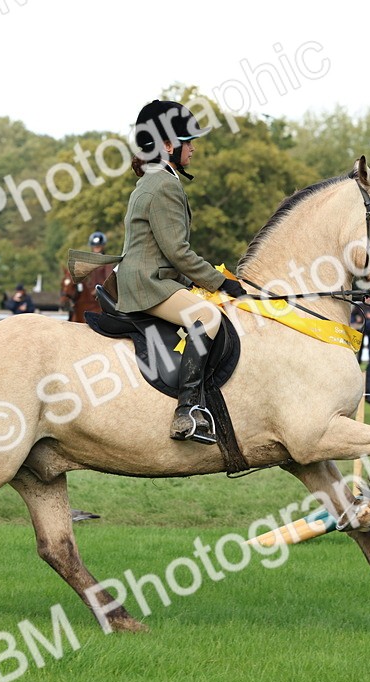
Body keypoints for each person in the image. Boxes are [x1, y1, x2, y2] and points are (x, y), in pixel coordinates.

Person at [116, 99, 247, 443]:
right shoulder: (164, 184)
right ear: (169, 145)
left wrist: (197, 282)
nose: (194, 148)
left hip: (149, 277)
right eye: (188, 141)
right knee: (208, 317)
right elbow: (177, 251)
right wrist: (222, 283)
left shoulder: (154, 179)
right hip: (149, 284)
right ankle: (187, 410)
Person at [64, 231, 116, 323]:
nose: (96, 248)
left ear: (103, 246)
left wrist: (99, 289)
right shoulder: (87, 262)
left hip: (102, 294)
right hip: (87, 294)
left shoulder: (107, 262)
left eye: (98, 246)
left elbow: (108, 279)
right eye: (95, 246)